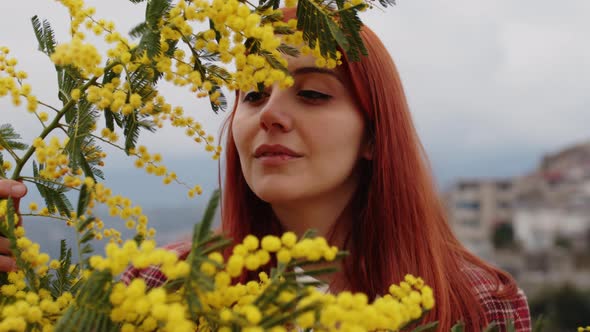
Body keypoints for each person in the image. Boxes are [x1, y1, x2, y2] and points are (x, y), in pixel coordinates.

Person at [1, 7, 531, 331]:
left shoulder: (482, 306)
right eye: (252, 95)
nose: (270, 115)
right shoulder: (161, 286)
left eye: (314, 94)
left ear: (373, 134)